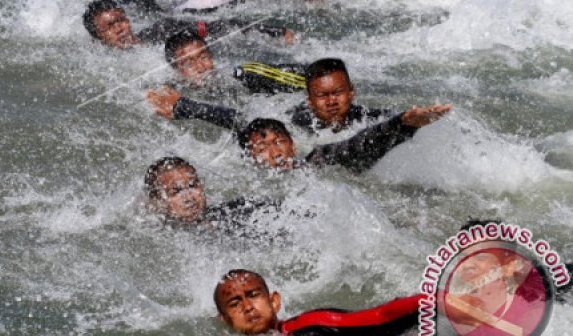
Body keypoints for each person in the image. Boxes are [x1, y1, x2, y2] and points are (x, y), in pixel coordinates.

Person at [147, 58, 400, 135]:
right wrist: (185, 106)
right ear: (310, 101)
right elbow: (246, 120)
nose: (332, 102)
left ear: (351, 93)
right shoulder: (299, 121)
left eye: (338, 94)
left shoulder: (368, 117)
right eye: (322, 96)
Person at [214, 269, 422, 336]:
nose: (247, 307)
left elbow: (379, 316)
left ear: (274, 301)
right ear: (224, 320)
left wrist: (435, 300)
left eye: (253, 295)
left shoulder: (309, 326)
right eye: (234, 303)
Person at [237, 108, 450, 173]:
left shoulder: (314, 162)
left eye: (279, 142)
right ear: (249, 156)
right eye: (262, 148)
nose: (275, 153)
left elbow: (355, 146)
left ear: (292, 144)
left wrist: (401, 123)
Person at [144, 157, 311, 236]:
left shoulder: (234, 214)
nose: (189, 197)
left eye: (193, 185)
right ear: (158, 200)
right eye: (176, 192)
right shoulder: (156, 232)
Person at [82, 0, 297, 49]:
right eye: (110, 27)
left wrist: (275, 31)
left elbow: (223, 26)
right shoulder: (103, 61)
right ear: (97, 38)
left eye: (121, 21)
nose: (120, 28)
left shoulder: (162, 32)